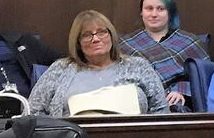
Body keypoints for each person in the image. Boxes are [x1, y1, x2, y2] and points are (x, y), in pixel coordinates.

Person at [28, 10, 167, 116]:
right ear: (78, 43)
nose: (96, 39)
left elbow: (161, 111)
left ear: (111, 36)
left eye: (101, 32)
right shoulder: (60, 69)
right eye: (87, 35)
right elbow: (32, 112)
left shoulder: (139, 66)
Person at [119, 0, 210, 110]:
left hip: (177, 105)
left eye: (160, 9)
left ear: (170, 12)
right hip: (137, 105)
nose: (154, 14)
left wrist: (180, 91)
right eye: (149, 9)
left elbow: (205, 77)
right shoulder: (124, 44)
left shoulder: (189, 41)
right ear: (141, 12)